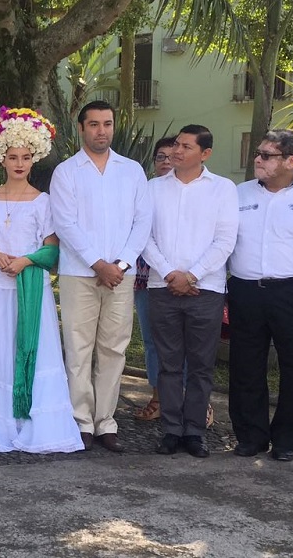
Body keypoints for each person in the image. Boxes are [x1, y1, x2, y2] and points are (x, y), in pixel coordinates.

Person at [0, 107, 82, 453]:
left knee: (32, 353)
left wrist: (26, 260)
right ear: (1, 158)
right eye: (13, 156)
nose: (20, 164)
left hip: (31, 293)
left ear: (34, 159)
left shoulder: (44, 202)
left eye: (26, 157)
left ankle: (32, 424)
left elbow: (52, 252)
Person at [50, 101, 151, 452]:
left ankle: (106, 421)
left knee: (113, 349)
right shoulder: (66, 172)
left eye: (107, 123)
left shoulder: (132, 170)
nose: (101, 131)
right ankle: (81, 422)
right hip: (81, 274)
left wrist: (120, 265)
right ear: (81, 128)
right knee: (78, 349)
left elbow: (142, 223)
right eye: (93, 124)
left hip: (120, 277)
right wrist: (98, 264)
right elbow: (65, 223)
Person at [228, 129, 293, 462]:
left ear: (291, 160)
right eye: (258, 153)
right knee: (244, 366)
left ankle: (287, 440)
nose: (258, 159)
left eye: (267, 155)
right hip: (245, 291)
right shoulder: (237, 194)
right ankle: (250, 436)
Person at [143, 124, 238, 458]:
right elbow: (144, 236)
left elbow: (225, 240)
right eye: (175, 146)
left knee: (200, 365)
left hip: (206, 289)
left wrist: (192, 275)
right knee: (168, 364)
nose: (177, 152)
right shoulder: (153, 188)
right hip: (162, 286)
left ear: (205, 153)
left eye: (185, 147)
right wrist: (171, 274)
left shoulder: (223, 189)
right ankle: (171, 429)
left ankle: (194, 431)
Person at [132, 137, 175, 422]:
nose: (167, 162)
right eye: (161, 157)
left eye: (173, 156)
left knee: (184, 342)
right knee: (152, 340)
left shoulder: (197, 192)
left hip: (183, 277)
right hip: (146, 277)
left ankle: (195, 401)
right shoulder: (144, 190)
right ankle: (159, 396)